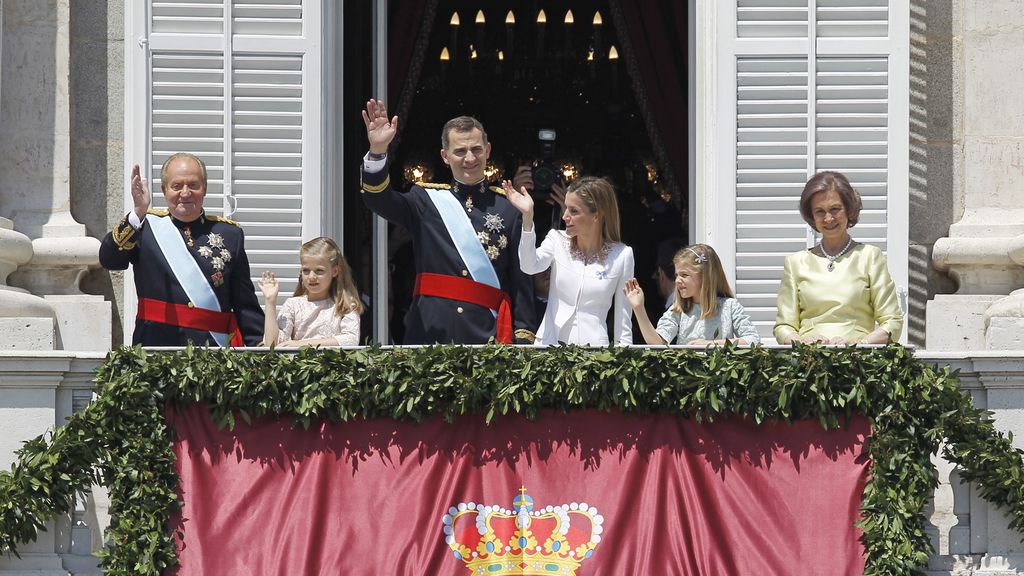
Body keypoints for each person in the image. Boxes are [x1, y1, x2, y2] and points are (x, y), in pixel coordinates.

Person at [359, 99, 536, 344]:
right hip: (430, 333)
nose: (470, 158)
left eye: (476, 149)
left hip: (488, 337)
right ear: (445, 156)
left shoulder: (509, 208)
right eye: (460, 151)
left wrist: (523, 338)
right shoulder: (425, 200)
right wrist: (378, 151)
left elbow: (521, 280)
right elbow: (378, 199)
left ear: (487, 151)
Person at [99, 153, 264, 346]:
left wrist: (259, 350)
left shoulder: (230, 234)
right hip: (156, 349)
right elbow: (109, 260)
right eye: (176, 186)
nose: (185, 193)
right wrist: (137, 213)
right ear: (164, 190)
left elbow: (245, 304)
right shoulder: (144, 227)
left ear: (204, 188)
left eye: (193, 185)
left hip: (213, 352)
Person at [774, 171, 903, 345]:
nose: (828, 218)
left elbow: (893, 322)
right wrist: (802, 343)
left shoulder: (870, 256)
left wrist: (858, 345)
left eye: (835, 209)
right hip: (807, 359)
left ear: (849, 209)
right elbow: (783, 327)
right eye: (820, 211)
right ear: (811, 216)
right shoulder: (795, 263)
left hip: (858, 359)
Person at [506, 175, 634, 346]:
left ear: (597, 214)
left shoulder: (622, 255)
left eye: (574, 211)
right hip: (549, 348)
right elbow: (529, 266)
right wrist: (528, 217)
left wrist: (623, 357)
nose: (565, 216)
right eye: (566, 208)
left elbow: (623, 326)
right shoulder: (556, 239)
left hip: (594, 353)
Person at [624, 244, 760, 346]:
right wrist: (638, 308)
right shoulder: (679, 310)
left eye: (684, 275)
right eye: (677, 275)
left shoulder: (730, 307)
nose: (677, 280)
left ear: (705, 277)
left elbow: (753, 340)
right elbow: (658, 343)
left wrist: (711, 344)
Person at [259, 237, 363, 347]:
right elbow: (272, 344)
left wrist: (300, 345)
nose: (312, 277)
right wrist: (270, 302)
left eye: (319, 271)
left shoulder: (345, 305)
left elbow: (350, 339)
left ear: (335, 271)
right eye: (306, 270)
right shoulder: (293, 305)